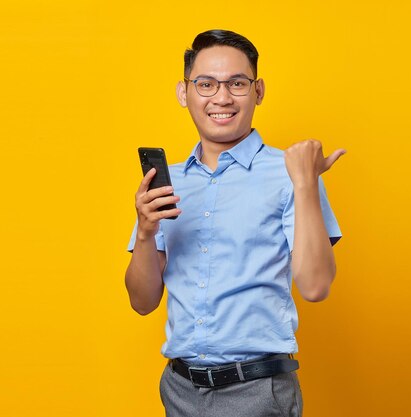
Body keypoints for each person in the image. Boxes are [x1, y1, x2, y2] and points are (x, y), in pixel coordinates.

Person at [125, 29, 344, 417]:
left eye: (237, 84)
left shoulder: (292, 173)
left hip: (258, 391)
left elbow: (315, 285)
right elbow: (142, 302)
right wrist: (145, 232)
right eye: (206, 84)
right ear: (184, 92)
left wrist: (307, 183)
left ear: (258, 91)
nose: (221, 98)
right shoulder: (166, 182)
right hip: (178, 389)